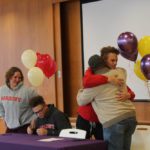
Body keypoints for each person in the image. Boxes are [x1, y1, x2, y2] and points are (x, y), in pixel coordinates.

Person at [77, 50, 137, 150]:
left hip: (113, 119)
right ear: (104, 62)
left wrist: (80, 92)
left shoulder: (94, 85)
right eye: (112, 60)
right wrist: (107, 79)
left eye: (116, 60)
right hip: (129, 116)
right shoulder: (120, 73)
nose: (115, 63)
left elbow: (81, 100)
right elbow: (87, 80)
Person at [0, 66, 38, 133]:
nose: (17, 80)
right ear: (9, 77)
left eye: (19, 78)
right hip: (10, 126)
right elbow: (0, 106)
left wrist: (34, 119)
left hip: (25, 125)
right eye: (15, 77)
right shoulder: (2, 90)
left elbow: (39, 106)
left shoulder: (29, 91)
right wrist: (4, 117)